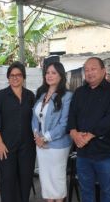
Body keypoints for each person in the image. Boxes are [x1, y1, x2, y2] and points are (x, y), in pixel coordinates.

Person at [68, 57, 110, 202]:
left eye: (93, 69)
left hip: (105, 152)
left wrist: (89, 135)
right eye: (86, 70)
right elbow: (71, 114)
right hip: (82, 152)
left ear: (103, 71)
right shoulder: (79, 92)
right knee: (86, 191)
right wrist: (74, 133)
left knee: (107, 192)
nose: (89, 72)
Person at [0, 62, 36, 202]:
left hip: (27, 147)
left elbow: (35, 121)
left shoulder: (30, 96)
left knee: (25, 179)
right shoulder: (0, 96)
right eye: (12, 75)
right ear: (8, 77)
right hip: (6, 146)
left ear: (23, 77)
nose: (15, 78)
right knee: (7, 181)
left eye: (18, 75)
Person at [31, 62, 73, 202]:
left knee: (57, 179)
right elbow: (35, 117)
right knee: (46, 179)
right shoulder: (42, 93)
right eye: (47, 72)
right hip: (40, 144)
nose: (49, 75)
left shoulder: (67, 96)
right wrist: (37, 135)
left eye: (53, 73)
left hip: (57, 145)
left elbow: (64, 124)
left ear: (61, 76)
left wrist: (45, 138)